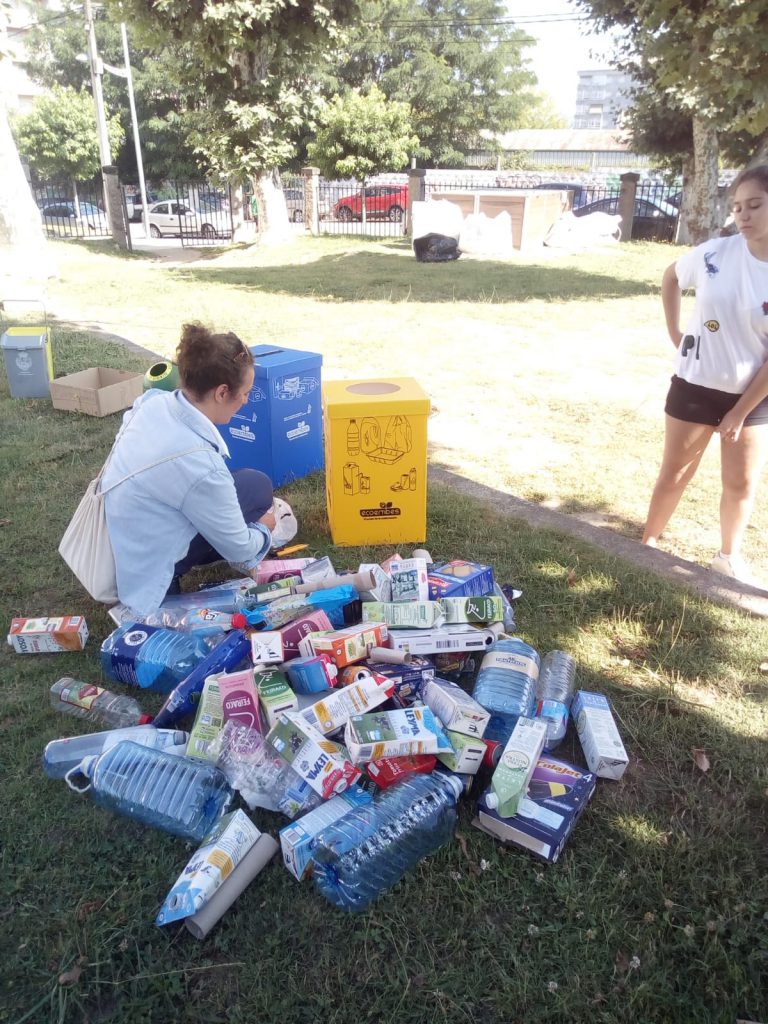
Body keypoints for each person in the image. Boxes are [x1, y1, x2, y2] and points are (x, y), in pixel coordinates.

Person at [642, 165, 768, 585]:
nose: (743, 216)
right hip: (694, 385)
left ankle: (728, 557)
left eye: (755, 205)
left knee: (741, 483)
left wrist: (737, 413)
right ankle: (646, 546)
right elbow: (671, 277)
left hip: (752, 397)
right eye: (737, 207)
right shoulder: (716, 252)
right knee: (674, 472)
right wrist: (675, 331)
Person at [102, 323, 278, 616]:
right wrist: (265, 529)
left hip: (125, 526)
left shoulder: (153, 402)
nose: (246, 400)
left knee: (255, 484)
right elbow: (241, 550)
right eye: (245, 393)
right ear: (222, 392)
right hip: (150, 564)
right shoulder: (202, 468)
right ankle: (171, 576)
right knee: (255, 502)